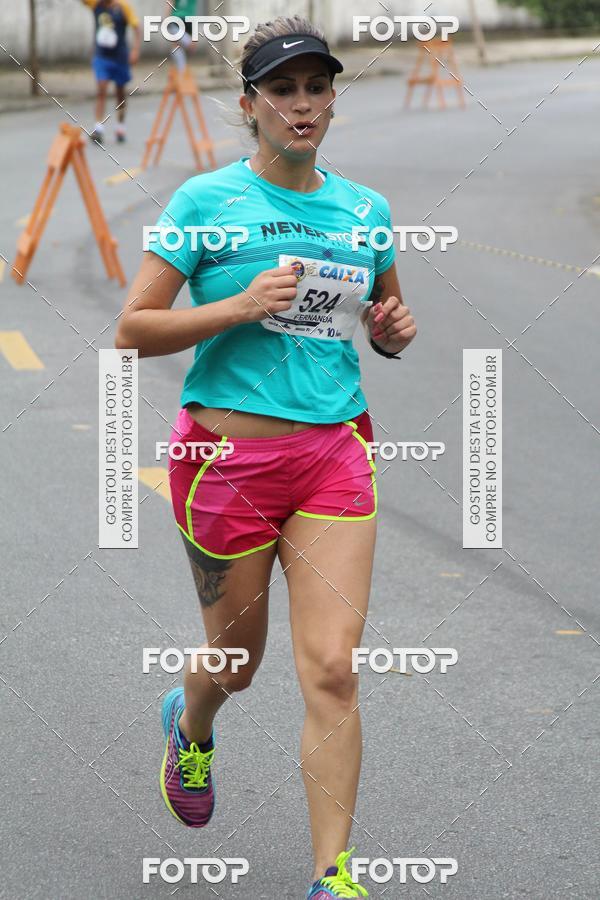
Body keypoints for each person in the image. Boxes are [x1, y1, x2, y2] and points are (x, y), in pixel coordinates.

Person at [115, 14, 416, 899]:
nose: (302, 104)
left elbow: (386, 325)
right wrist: (239, 306)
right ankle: (192, 721)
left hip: (334, 454)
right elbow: (135, 330)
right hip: (225, 463)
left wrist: (394, 331)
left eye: (317, 88)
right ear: (250, 105)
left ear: (332, 101)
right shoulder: (205, 203)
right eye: (282, 90)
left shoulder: (367, 211)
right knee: (237, 664)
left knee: (330, 669)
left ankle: (335, 879)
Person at [81, 0, 141, 144]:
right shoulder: (95, 4)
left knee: (120, 93)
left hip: (120, 57)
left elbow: (137, 28)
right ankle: (98, 128)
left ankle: (120, 126)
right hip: (102, 57)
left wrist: (135, 51)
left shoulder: (124, 7)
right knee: (101, 89)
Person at [164, 0, 198, 73]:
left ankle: (181, 72)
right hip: (177, 18)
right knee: (178, 46)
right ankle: (181, 72)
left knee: (182, 47)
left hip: (189, 20)